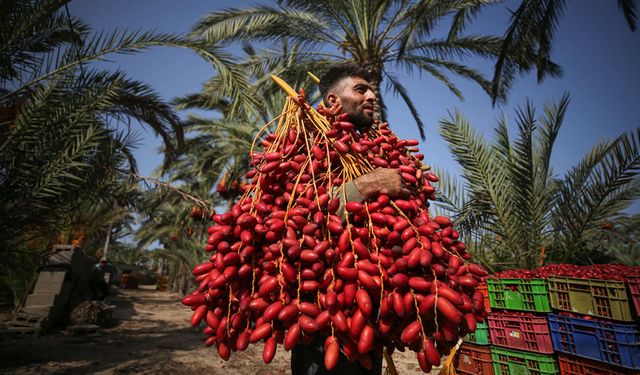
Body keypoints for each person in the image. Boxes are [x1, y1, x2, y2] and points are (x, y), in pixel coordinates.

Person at [291, 63, 413, 375]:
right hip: (325, 318)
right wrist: (370, 184)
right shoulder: (303, 143)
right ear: (333, 101)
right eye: (361, 89)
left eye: (373, 90)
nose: (373, 95)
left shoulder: (371, 151)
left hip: (370, 318)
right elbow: (301, 221)